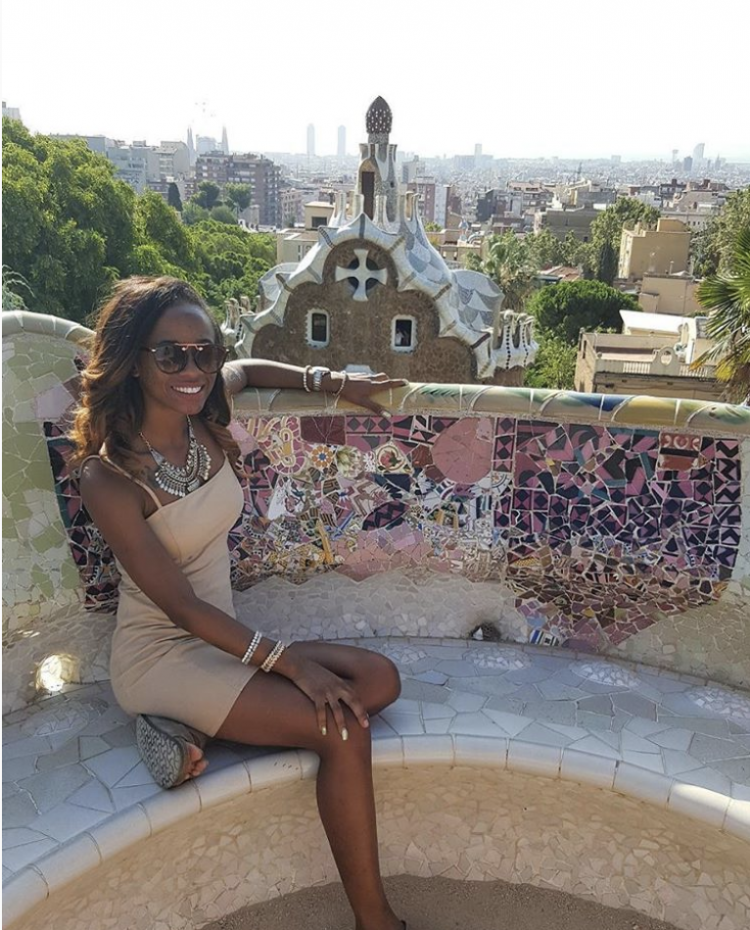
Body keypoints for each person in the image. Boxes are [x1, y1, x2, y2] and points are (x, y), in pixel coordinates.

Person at [71, 276, 409, 930]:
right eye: (171, 355)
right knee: (342, 730)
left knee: (378, 680)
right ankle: (377, 921)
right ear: (133, 362)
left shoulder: (205, 410)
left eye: (204, 351)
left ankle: (186, 727)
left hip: (221, 641)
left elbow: (247, 368)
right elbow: (181, 610)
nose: (193, 369)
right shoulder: (109, 478)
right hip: (164, 652)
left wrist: (334, 381)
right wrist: (291, 666)